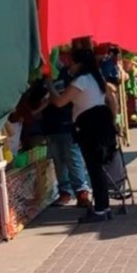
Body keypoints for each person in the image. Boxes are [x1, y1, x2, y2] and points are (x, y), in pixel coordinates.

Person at [47, 48, 120, 223]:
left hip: (89, 126)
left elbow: (60, 102)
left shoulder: (80, 81)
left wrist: (49, 85)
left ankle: (101, 209)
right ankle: (104, 207)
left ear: (79, 64)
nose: (68, 66)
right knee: (98, 168)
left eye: (71, 62)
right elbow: (112, 101)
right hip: (102, 122)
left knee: (94, 169)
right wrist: (112, 120)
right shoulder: (97, 78)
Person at [32, 61, 92, 209]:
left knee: (73, 157)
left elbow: (64, 100)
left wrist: (51, 90)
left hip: (67, 122)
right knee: (58, 160)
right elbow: (36, 99)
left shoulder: (67, 75)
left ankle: (81, 191)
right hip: (50, 125)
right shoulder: (40, 78)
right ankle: (65, 191)